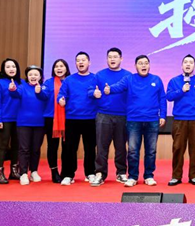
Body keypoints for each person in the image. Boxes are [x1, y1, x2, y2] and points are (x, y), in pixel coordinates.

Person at [107, 55, 166, 187]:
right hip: (134, 120)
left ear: (149, 65)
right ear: (135, 66)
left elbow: (162, 98)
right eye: (140, 63)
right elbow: (118, 87)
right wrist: (109, 89)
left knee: (151, 151)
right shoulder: (129, 78)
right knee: (133, 151)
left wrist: (162, 115)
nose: (143, 65)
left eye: (146, 63)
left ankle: (149, 176)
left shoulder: (156, 79)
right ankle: (133, 176)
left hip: (152, 120)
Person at [166, 55, 195, 186]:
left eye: (191, 62)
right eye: (185, 62)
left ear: (194, 66)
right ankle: (176, 176)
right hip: (180, 120)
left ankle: (194, 176)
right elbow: (169, 96)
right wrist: (181, 90)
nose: (188, 64)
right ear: (182, 65)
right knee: (178, 148)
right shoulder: (174, 81)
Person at [89, 48, 130, 187]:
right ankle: (100, 173)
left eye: (115, 57)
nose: (112, 59)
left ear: (121, 58)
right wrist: (93, 93)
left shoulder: (128, 76)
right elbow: (90, 90)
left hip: (122, 115)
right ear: (107, 59)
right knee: (102, 146)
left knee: (121, 146)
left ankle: (121, 172)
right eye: (110, 57)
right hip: (103, 115)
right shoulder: (99, 75)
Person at [57, 52, 97, 186]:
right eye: (78, 60)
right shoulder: (69, 79)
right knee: (70, 148)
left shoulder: (95, 78)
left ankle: (90, 173)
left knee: (90, 148)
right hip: (72, 118)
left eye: (83, 60)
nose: (80, 62)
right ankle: (68, 174)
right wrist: (61, 100)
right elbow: (61, 95)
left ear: (89, 62)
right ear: (75, 63)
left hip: (91, 118)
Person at [11, 65, 49, 185]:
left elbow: (45, 97)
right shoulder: (22, 87)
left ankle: (34, 171)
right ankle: (23, 173)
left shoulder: (44, 87)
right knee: (24, 149)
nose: (33, 76)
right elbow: (15, 94)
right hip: (23, 122)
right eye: (30, 74)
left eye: (36, 74)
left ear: (40, 77)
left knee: (35, 149)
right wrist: (12, 90)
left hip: (40, 123)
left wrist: (39, 92)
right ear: (27, 76)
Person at [0, 58, 22, 184]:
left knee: (17, 146)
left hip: (20, 119)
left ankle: (14, 171)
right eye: (8, 67)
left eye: (13, 66)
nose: (11, 69)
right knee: (3, 146)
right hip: (5, 119)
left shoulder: (21, 83)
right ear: (3, 69)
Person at [43, 59, 69, 183]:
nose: (59, 68)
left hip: (69, 118)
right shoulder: (48, 83)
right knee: (53, 146)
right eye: (56, 66)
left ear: (66, 68)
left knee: (67, 147)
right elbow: (42, 96)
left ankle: (66, 172)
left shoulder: (71, 81)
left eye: (61, 66)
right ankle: (54, 172)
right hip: (51, 118)